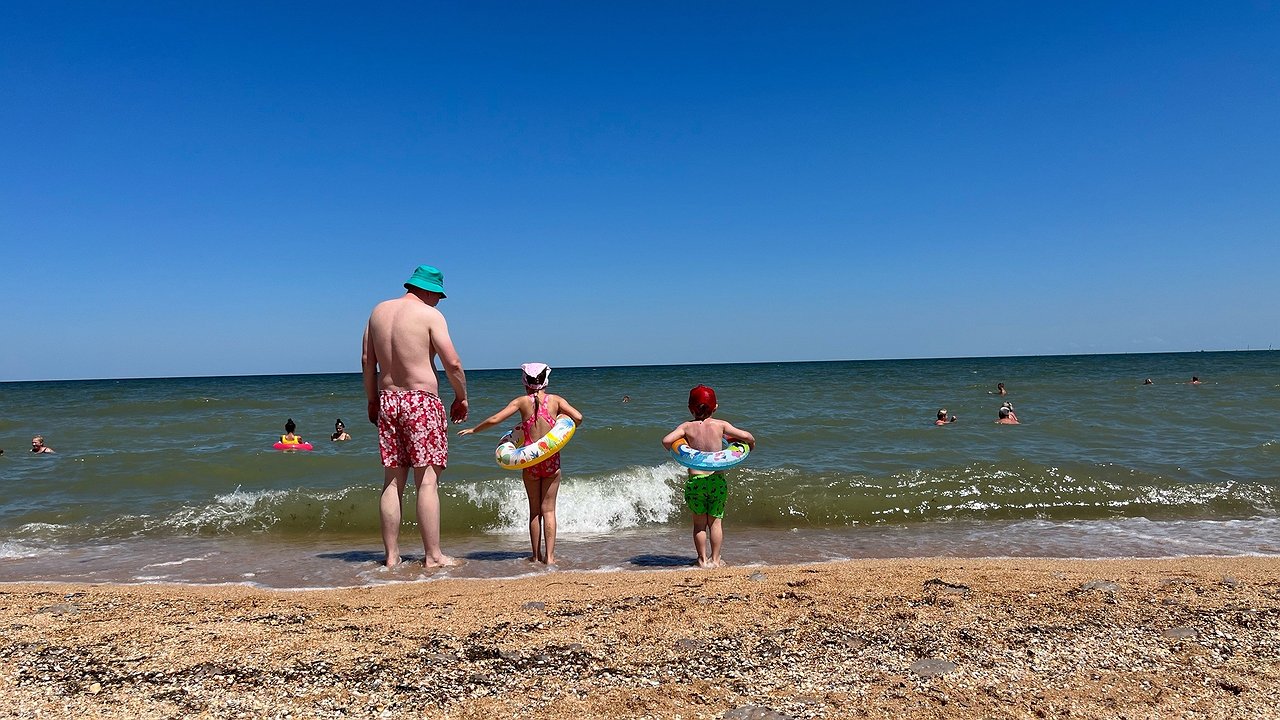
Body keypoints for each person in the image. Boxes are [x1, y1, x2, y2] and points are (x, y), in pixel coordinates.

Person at [362, 264, 468, 569]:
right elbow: (452, 363)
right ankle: (433, 555)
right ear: (430, 291)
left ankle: (391, 556)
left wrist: (372, 400)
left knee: (392, 481)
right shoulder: (429, 315)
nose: (438, 302)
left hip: (388, 399)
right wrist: (461, 397)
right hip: (421, 401)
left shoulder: (378, 312)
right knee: (427, 481)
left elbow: (367, 361)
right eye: (439, 296)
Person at [458, 363, 584, 565]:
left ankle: (535, 556)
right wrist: (562, 418)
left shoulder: (521, 402)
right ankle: (550, 558)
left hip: (530, 464)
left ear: (525, 382)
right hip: (551, 463)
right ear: (545, 381)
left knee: (535, 511)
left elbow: (496, 419)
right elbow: (578, 417)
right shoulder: (556, 400)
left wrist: (474, 430)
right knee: (549, 511)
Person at [661, 385, 756, 569]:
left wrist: (678, 447)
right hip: (716, 481)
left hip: (696, 482)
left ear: (690, 408)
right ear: (715, 407)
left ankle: (702, 560)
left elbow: (666, 441)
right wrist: (750, 445)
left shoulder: (686, 427)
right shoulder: (721, 425)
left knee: (699, 525)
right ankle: (716, 560)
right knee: (715, 523)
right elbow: (746, 436)